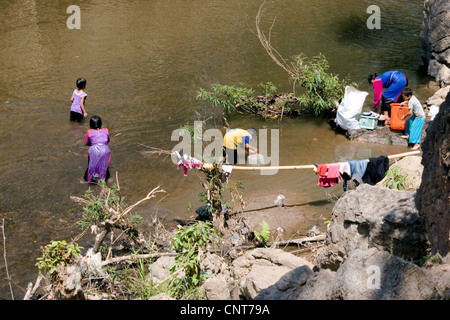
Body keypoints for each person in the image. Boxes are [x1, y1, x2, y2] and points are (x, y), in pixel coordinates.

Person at [84, 115, 111, 182]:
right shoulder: (106, 130)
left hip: (94, 150)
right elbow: (108, 140)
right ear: (101, 124)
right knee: (105, 166)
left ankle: (86, 180)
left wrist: (93, 144)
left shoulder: (89, 132)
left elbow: (86, 143)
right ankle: (106, 179)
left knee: (90, 166)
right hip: (105, 149)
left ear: (90, 124)